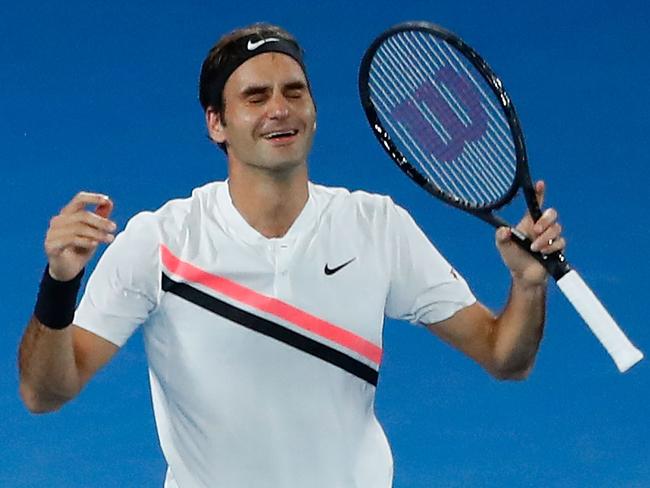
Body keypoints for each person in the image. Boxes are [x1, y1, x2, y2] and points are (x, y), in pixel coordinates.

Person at [18, 22, 565, 488]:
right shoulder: (160, 243)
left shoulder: (377, 227)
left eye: (294, 92)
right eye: (255, 97)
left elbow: (504, 358)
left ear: (314, 109)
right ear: (216, 123)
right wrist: (60, 283)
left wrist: (528, 286)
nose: (280, 109)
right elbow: (45, 393)